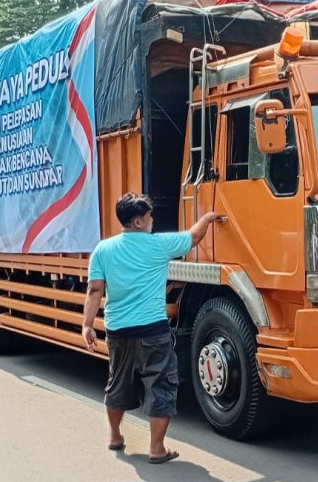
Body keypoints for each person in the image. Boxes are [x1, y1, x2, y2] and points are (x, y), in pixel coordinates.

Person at [82, 193, 220, 464]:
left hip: (118, 332)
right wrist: (207, 218)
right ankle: (157, 449)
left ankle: (115, 436)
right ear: (137, 221)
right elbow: (194, 237)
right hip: (152, 331)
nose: (152, 220)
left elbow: (94, 290)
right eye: (149, 216)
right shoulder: (158, 245)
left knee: (117, 385)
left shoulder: (103, 250)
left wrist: (87, 325)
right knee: (161, 387)